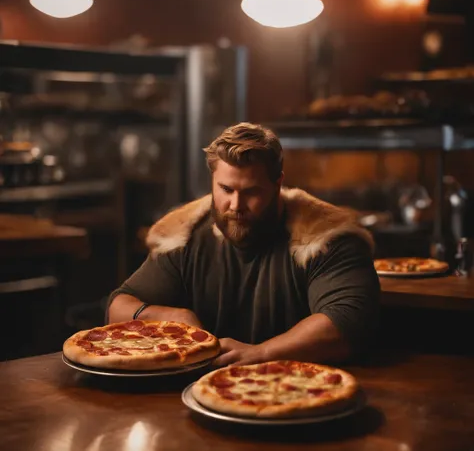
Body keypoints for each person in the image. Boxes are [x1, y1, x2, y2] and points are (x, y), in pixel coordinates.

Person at [107, 122, 380, 367]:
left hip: (302, 394)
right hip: (199, 399)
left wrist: (261, 354)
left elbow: (348, 324)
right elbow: (117, 307)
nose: (236, 206)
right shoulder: (184, 235)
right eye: (226, 190)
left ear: (278, 184)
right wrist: (169, 316)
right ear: (212, 182)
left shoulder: (325, 237)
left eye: (251, 192)